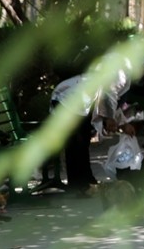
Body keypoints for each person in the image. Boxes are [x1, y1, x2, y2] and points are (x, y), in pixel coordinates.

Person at [50, 63, 132, 193]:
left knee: (82, 141)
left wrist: (122, 122)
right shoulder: (121, 73)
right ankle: (79, 184)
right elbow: (109, 95)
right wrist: (111, 119)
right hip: (69, 100)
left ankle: (85, 181)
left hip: (76, 101)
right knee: (76, 142)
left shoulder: (122, 72)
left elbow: (112, 101)